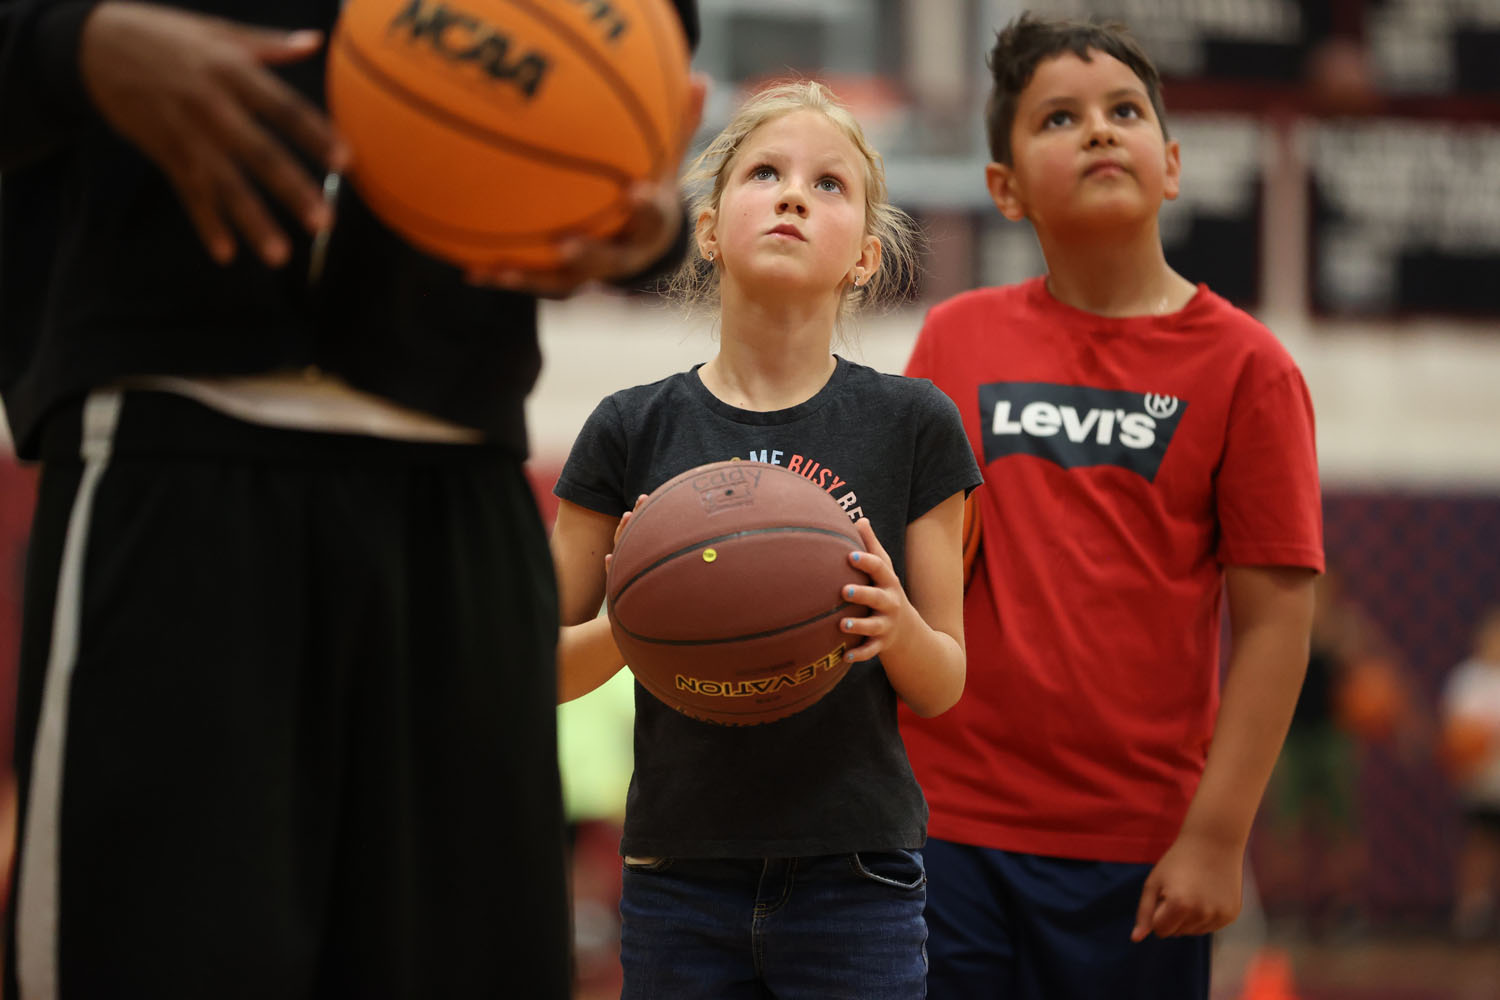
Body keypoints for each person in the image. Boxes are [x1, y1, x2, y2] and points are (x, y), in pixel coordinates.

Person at [0, 1, 701, 997]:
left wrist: (644, 219)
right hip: (173, 441)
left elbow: (628, 81)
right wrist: (68, 47)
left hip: (462, 468)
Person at [897, 14, 1324, 999]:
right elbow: (923, 570)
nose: (1097, 130)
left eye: (1123, 111)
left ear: (1170, 164)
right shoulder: (956, 338)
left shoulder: (1248, 367)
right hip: (946, 823)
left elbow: (1274, 625)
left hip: (1138, 844)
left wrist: (1217, 836)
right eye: (1058, 118)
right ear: (1002, 187)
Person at [548, 80, 981, 999]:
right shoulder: (630, 428)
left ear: (866, 257)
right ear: (708, 229)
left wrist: (897, 625)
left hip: (856, 874)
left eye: (829, 184)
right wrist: (644, 619)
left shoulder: (914, 424)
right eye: (765, 173)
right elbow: (533, 667)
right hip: (679, 874)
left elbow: (944, 681)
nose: (792, 194)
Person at [1440, 606, 1500, 942]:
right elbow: (1456, 730)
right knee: (1480, 847)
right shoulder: (1468, 678)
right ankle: (1473, 913)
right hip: (1481, 784)